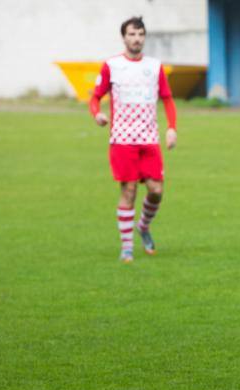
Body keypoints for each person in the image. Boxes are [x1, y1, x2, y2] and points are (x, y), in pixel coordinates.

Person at [90, 16, 177, 263]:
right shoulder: (112, 65)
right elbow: (95, 97)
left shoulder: (154, 66)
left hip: (149, 139)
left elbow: (168, 99)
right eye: (132, 34)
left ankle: (144, 226)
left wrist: (171, 128)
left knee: (156, 190)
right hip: (122, 139)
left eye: (140, 34)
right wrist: (97, 114)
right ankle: (126, 248)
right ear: (124, 37)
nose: (136, 38)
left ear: (144, 37)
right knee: (128, 191)